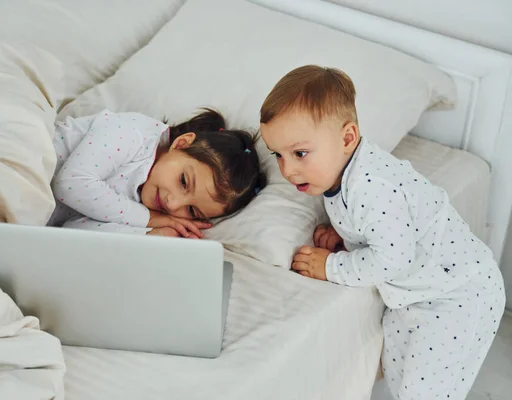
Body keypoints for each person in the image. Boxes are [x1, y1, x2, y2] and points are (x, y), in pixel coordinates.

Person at [259, 65, 505, 400]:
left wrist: (331, 266)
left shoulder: (375, 187)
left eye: (299, 153)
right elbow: (374, 226)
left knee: (425, 392)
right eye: (278, 155)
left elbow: (393, 258)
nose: (287, 169)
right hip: (417, 293)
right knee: (399, 378)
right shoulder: (334, 174)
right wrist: (345, 237)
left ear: (347, 138)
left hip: (458, 292)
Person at [48, 108, 266, 237]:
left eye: (191, 211)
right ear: (181, 143)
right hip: (29, 159)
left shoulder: (142, 204)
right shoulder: (134, 133)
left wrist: (150, 234)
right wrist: (148, 219)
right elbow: (70, 184)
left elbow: (71, 229)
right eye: (183, 182)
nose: (173, 204)